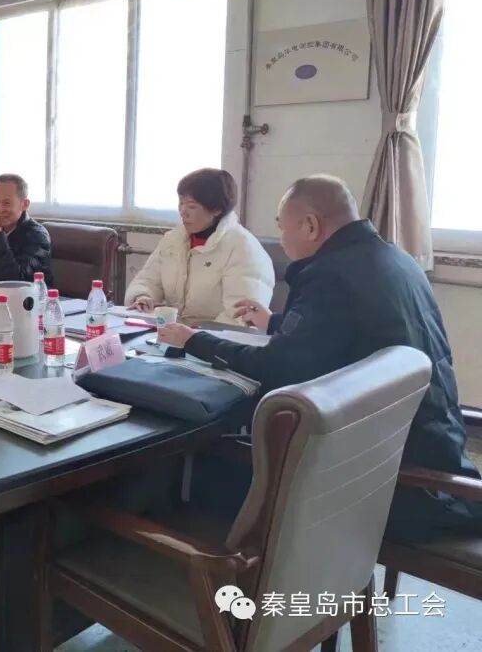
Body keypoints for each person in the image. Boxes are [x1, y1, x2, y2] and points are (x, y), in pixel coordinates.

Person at [159, 175, 481, 542]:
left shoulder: (330, 274)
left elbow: (278, 368)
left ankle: (215, 562)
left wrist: (195, 341)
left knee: (205, 467)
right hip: (434, 453)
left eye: (282, 227)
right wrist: (274, 322)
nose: (282, 238)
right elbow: (341, 332)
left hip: (394, 484)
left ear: (310, 226)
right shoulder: (395, 258)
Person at [124, 168, 273, 323]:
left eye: (191, 206)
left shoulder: (243, 248)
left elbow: (241, 317)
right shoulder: (173, 240)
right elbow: (148, 279)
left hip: (213, 336)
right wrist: (143, 297)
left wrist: (195, 335)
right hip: (172, 331)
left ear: (217, 209)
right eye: (181, 203)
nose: (183, 212)